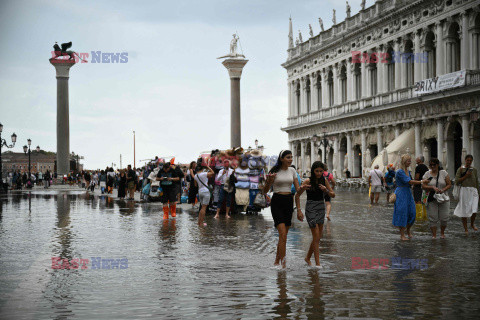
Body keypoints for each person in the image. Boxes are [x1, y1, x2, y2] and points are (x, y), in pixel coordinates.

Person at [263, 150, 303, 268]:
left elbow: (298, 191)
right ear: (281, 159)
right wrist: (269, 181)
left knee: (283, 236)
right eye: (288, 157)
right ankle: (283, 264)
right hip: (277, 201)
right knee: (283, 234)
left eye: (291, 157)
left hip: (288, 202)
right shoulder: (274, 171)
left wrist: (304, 188)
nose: (290, 159)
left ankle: (277, 261)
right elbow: (264, 191)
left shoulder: (292, 171)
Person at [295, 161, 335, 267]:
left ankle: (308, 258)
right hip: (310, 208)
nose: (318, 173)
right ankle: (318, 264)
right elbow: (297, 195)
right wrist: (299, 210)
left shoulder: (324, 180)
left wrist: (326, 190)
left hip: (321, 207)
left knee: (318, 237)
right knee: (316, 235)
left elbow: (333, 194)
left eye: (321, 171)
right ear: (313, 171)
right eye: (316, 171)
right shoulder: (308, 180)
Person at [392, 154, 427, 241]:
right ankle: (402, 234)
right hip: (401, 193)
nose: (410, 162)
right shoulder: (399, 172)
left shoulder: (409, 171)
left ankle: (408, 230)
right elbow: (410, 181)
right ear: (404, 162)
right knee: (402, 213)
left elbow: (411, 181)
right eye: (408, 161)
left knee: (412, 213)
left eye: (410, 161)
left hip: (408, 193)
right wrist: (422, 181)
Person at [422, 158, 452, 239]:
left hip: (443, 198)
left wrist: (443, 190)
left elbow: (449, 184)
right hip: (432, 198)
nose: (432, 166)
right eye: (430, 165)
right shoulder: (427, 174)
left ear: (438, 165)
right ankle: (434, 235)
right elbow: (423, 186)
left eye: (434, 165)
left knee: (444, 217)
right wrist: (432, 187)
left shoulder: (443, 173)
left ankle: (442, 233)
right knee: (433, 217)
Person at [453, 155, 479, 234]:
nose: (469, 162)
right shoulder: (460, 169)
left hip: (473, 190)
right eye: (467, 160)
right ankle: (465, 228)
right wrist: (466, 176)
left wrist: (478, 192)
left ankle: (472, 224)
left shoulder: (474, 170)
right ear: (465, 160)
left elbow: (476, 181)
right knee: (464, 209)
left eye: (470, 160)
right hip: (464, 190)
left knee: (474, 209)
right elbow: (457, 181)